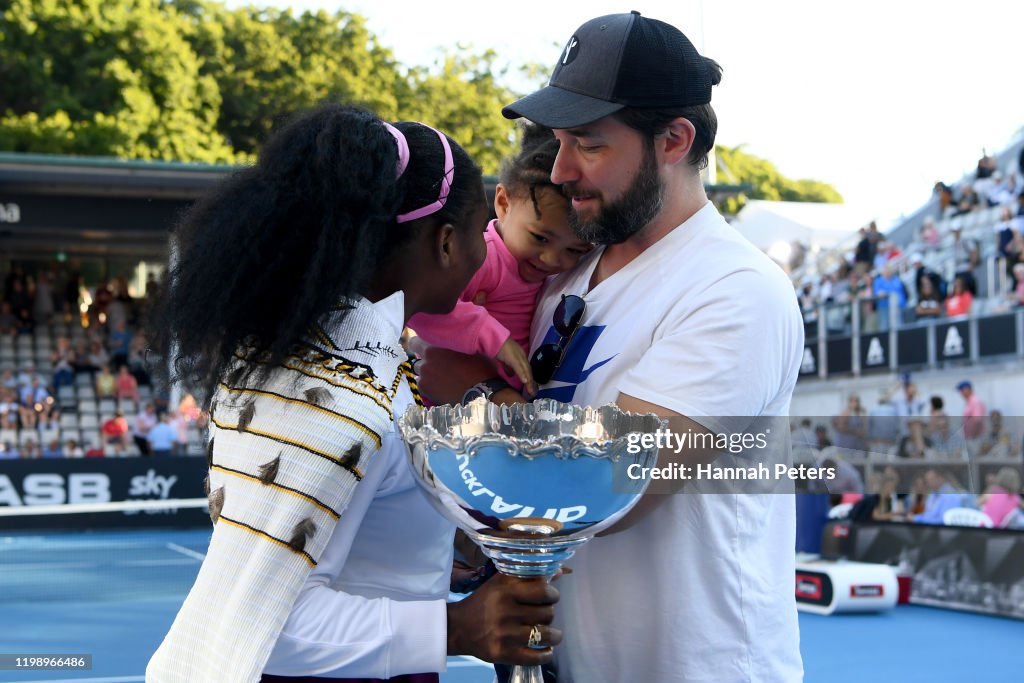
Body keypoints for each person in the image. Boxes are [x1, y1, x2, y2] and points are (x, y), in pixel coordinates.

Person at [422, 13, 803, 681]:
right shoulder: (561, 270)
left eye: (590, 145)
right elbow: (447, 370)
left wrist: (448, 491)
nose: (563, 170)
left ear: (673, 140)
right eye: (560, 142)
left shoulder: (735, 289)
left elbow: (615, 480)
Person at [146, 104, 559, 682]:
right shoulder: (345, 395)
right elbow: (267, 625)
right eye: (475, 235)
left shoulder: (319, 357)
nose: (482, 254)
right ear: (444, 243)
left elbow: (365, 541)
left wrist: (458, 553)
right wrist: (459, 628)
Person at [408, 124, 592, 394]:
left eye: (575, 250)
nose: (552, 259)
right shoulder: (483, 257)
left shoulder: (549, 274)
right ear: (504, 203)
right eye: (540, 238)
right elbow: (419, 305)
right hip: (448, 404)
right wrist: (490, 335)